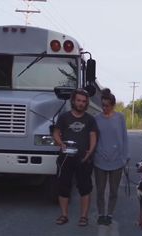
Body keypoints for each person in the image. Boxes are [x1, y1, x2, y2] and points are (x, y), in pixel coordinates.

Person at [53, 89, 98, 226]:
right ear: (73, 101)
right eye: (78, 100)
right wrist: (61, 144)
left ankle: (83, 217)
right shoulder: (64, 117)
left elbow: (93, 136)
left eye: (84, 101)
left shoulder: (90, 119)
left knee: (85, 188)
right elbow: (56, 132)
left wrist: (89, 153)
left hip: (83, 159)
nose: (81, 103)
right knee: (63, 187)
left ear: (86, 103)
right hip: (65, 158)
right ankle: (64, 215)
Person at [93, 88, 129, 225]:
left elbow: (124, 138)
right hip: (100, 159)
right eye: (103, 105)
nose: (104, 108)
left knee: (114, 191)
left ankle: (109, 214)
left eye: (107, 105)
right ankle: (101, 214)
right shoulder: (96, 118)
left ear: (113, 105)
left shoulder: (120, 118)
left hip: (117, 160)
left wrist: (125, 156)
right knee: (100, 190)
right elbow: (94, 138)